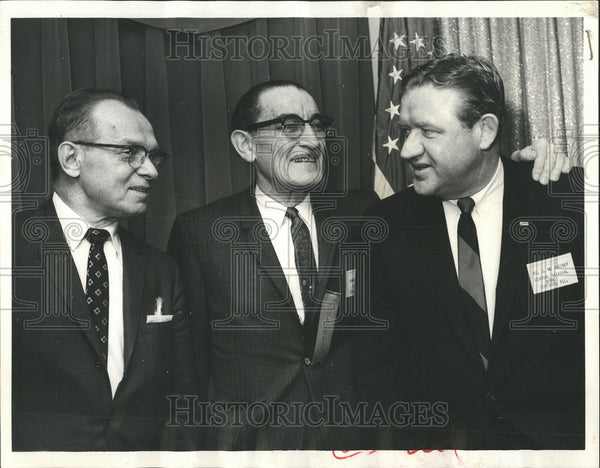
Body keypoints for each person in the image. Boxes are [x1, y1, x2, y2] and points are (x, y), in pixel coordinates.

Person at [167, 79, 561, 450]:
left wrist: (525, 166)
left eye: (317, 125)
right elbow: (186, 367)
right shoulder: (199, 233)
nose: (311, 139)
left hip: (354, 441)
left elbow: (469, 185)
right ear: (246, 145)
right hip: (253, 447)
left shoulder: (367, 214)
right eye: (289, 126)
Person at [357, 54, 584, 450]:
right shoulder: (384, 227)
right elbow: (379, 367)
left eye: (428, 131)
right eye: (407, 130)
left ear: (485, 131)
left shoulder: (567, 201)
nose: (408, 149)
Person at [12, 89, 199, 451]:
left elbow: (183, 401)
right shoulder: (10, 250)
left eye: (153, 156)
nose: (151, 170)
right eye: (130, 153)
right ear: (71, 158)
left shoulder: (162, 269)